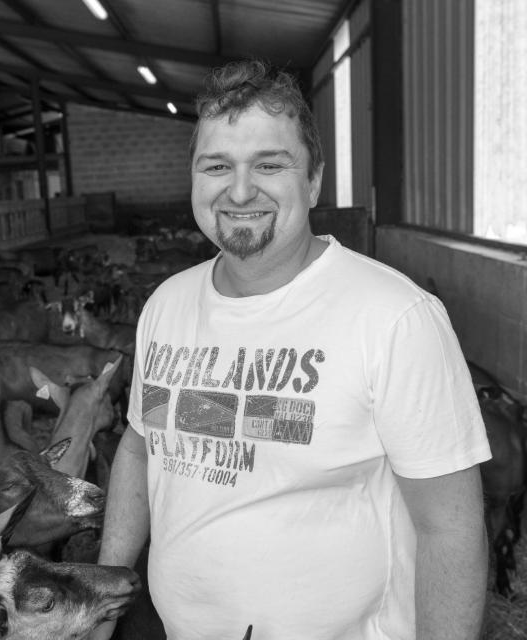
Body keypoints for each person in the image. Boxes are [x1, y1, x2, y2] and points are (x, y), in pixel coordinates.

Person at [91, 59, 491, 640]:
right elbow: (139, 445)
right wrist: (104, 592)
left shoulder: (393, 318)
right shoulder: (166, 305)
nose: (240, 189)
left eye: (270, 164)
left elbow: (449, 529)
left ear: (314, 179)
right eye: (218, 166)